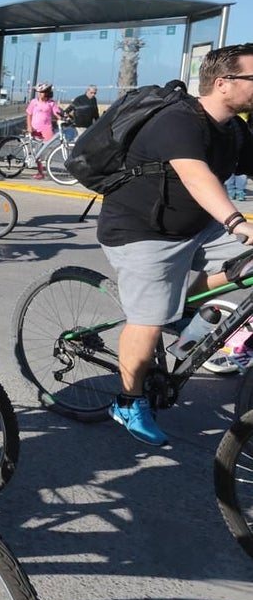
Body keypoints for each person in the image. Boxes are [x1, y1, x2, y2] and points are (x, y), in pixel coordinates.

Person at [98, 44, 253, 445]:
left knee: (249, 264)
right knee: (148, 321)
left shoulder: (234, 129)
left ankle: (178, 303)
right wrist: (238, 222)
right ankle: (128, 402)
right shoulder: (177, 120)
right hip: (142, 231)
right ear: (224, 83)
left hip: (197, 228)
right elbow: (197, 177)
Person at [26, 83, 63, 179]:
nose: (40, 94)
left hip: (47, 129)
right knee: (37, 152)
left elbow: (57, 113)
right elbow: (29, 114)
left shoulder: (51, 103)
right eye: (39, 92)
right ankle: (40, 173)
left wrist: (62, 118)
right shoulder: (34, 102)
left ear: (47, 93)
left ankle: (45, 168)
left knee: (46, 150)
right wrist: (29, 126)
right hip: (35, 129)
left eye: (42, 92)